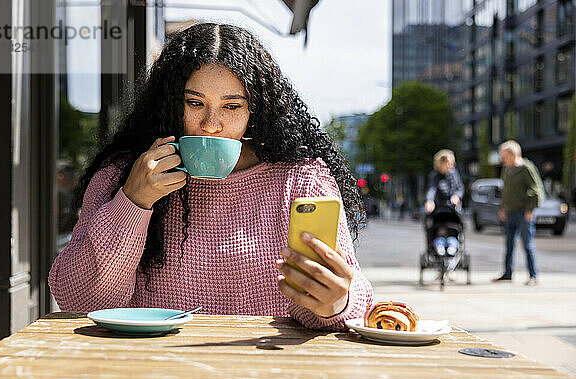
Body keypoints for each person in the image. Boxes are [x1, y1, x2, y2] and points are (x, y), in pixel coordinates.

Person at [48, 23, 374, 330]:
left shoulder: (299, 178)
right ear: (169, 105)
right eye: (194, 103)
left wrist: (334, 302)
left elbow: (332, 306)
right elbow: (79, 300)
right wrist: (133, 202)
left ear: (255, 110)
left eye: (231, 107)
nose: (211, 125)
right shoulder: (123, 174)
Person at [493, 140, 544, 286]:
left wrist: (530, 209)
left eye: (504, 156)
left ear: (513, 154)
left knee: (527, 245)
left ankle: (533, 275)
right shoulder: (506, 169)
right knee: (509, 245)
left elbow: (536, 190)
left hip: (523, 213)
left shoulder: (527, 168)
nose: (502, 159)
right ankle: (507, 274)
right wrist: (503, 207)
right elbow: (506, 191)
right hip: (510, 212)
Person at [424, 149, 464, 256]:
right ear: (441, 163)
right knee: (432, 227)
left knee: (455, 231)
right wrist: (430, 201)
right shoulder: (434, 176)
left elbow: (459, 188)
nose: (452, 165)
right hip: (438, 210)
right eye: (449, 163)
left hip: (452, 210)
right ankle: (437, 248)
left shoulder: (454, 174)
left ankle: (453, 248)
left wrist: (456, 196)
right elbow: (431, 189)